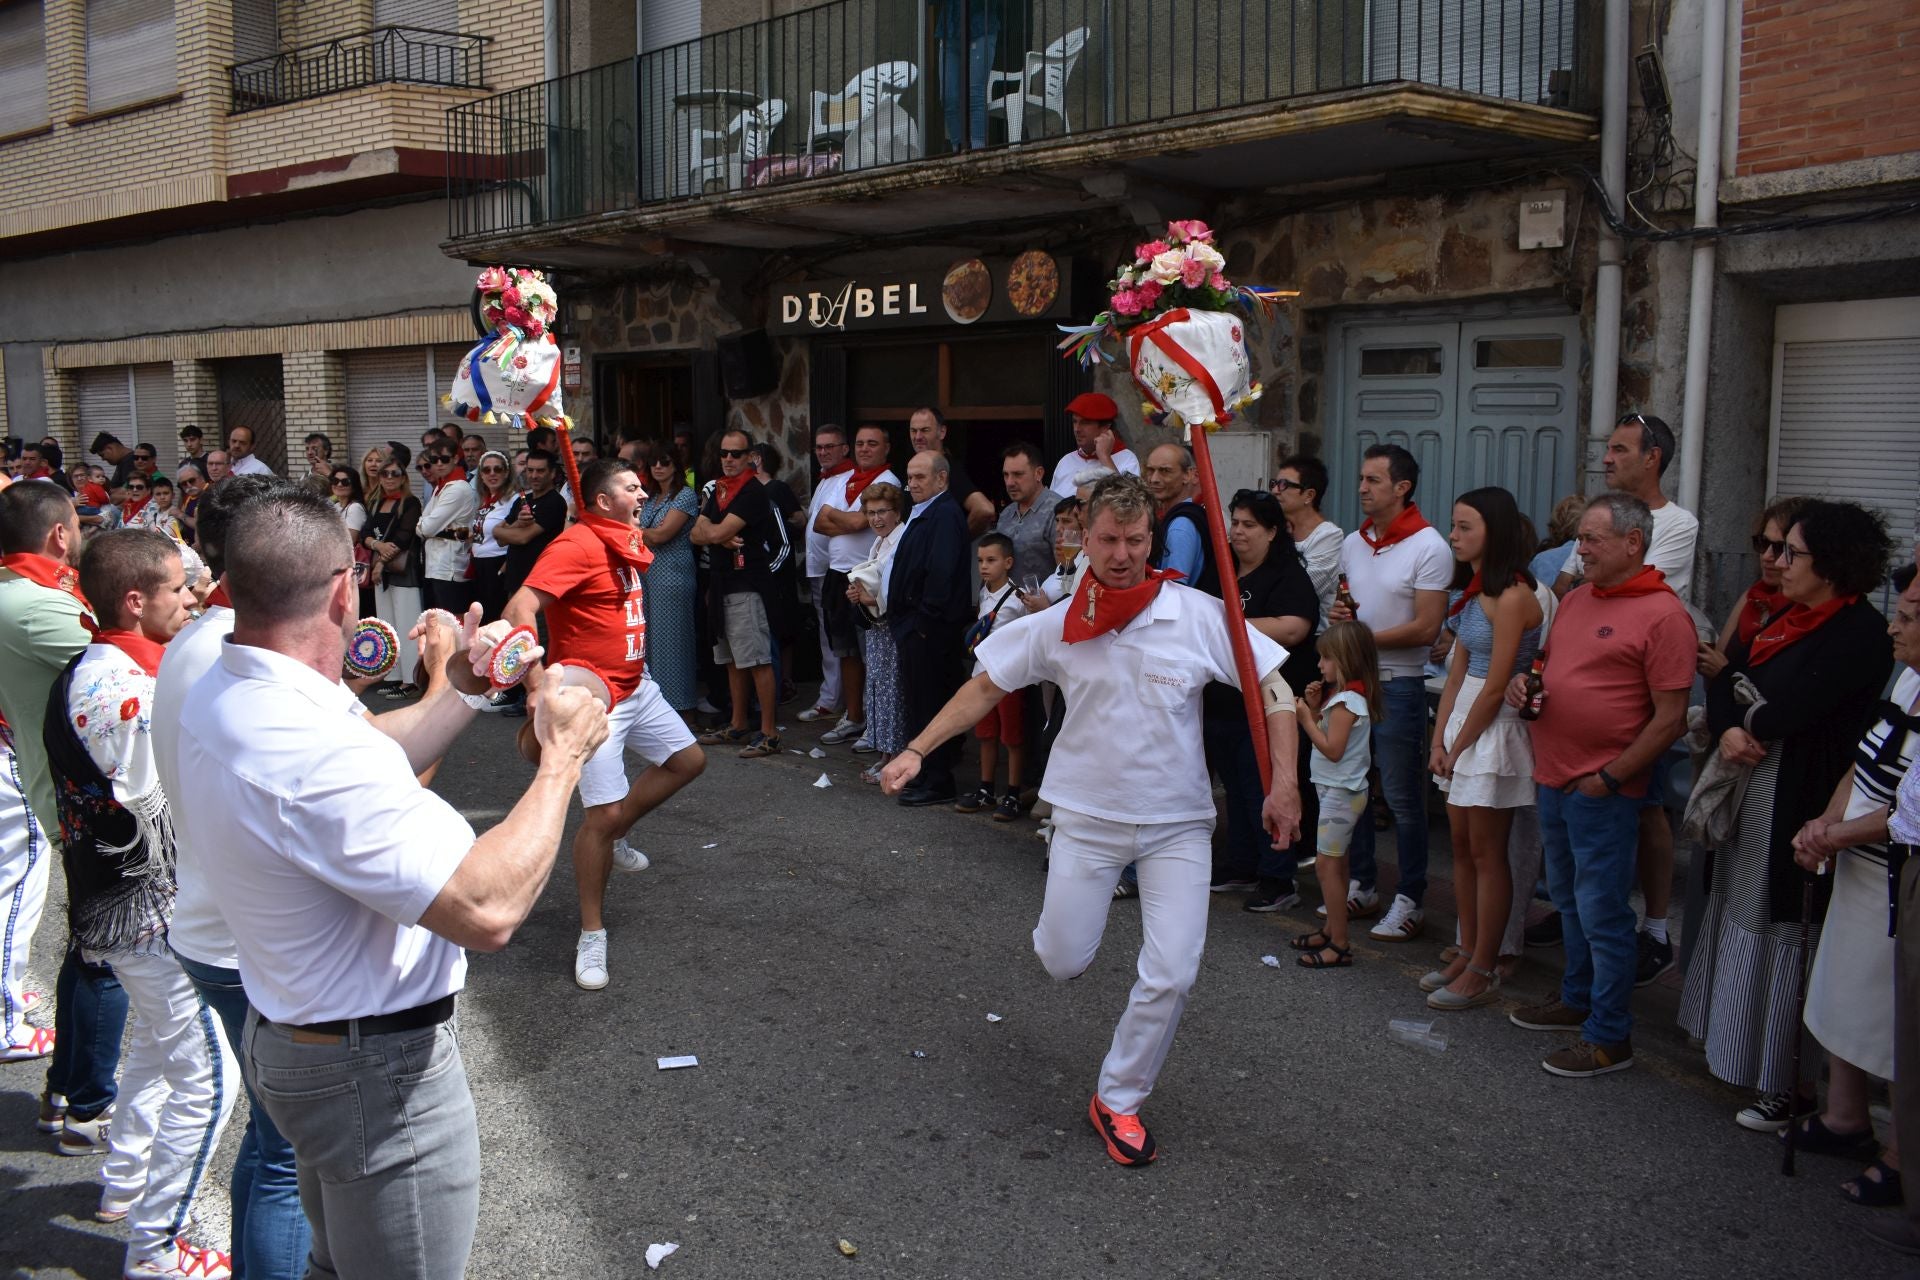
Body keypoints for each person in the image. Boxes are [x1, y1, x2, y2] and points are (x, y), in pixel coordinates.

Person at [176, 489, 608, 1279]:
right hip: (373, 1072)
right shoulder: (300, 742)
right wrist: (564, 758)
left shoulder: (239, 685)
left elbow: (374, 748)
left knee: (335, 1267)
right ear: (346, 590)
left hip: (311, 1040)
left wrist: (467, 690)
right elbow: (486, 906)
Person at [880, 472, 1302, 1166]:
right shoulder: (1058, 623)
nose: (1122, 554)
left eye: (1136, 540)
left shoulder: (1197, 615)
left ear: (1151, 540)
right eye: (1108, 538)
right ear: (1085, 535)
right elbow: (986, 684)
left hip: (1178, 825)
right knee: (1062, 958)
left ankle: (1120, 1098)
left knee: (1173, 971)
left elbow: (1274, 690)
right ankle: (1068, 944)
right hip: (1085, 819)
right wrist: (917, 750)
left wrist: (1284, 785)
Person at [47, 528, 235, 1278]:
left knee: (158, 1055)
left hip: (124, 904)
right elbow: (173, 799)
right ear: (135, 599)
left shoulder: (99, 669)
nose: (191, 597)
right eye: (178, 587)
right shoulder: (123, 693)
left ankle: (124, 1185)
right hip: (146, 910)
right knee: (209, 1079)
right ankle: (160, 1245)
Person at [1681, 500, 1894, 1125]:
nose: (1777, 562)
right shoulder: (1784, 618)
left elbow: (1777, 713)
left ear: (1829, 565)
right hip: (1755, 788)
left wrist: (1735, 702)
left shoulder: (1857, 636)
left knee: (1782, 932)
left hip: (1797, 798)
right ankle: (1738, 1057)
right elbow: (1728, 687)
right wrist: (1729, 722)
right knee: (1739, 915)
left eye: (1791, 552)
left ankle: (1786, 1083)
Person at [153, 473, 314, 1280]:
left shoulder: (197, 637)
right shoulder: (236, 652)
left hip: (211, 923)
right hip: (243, 939)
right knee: (288, 1156)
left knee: (268, 1136)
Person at [1506, 492, 1695, 1078]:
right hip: (1555, 776)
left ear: (1633, 543)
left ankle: (1610, 1037)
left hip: (1603, 789)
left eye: (1591, 540)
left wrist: (1610, 777)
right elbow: (1546, 670)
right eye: (1580, 538)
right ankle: (1577, 998)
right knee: (1567, 902)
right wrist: (1524, 690)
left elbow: (1670, 718)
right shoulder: (1581, 598)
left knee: (1603, 912)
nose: (1578, 550)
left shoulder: (1665, 616)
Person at [505, 459, 706, 991]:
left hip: (637, 685)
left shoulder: (619, 536)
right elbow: (521, 605)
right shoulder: (578, 544)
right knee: (602, 815)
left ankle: (617, 835)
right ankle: (591, 932)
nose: (644, 494)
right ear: (601, 501)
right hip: (594, 697)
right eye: (632, 487)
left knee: (688, 761)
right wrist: (535, 686)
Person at [1549, 414, 1701, 981]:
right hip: (1578, 736)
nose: (1606, 458)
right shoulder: (1601, 521)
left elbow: (1636, 585)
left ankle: (1653, 930)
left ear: (1652, 457)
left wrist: (1607, 776)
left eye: (1619, 449)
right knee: (1580, 875)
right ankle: (1579, 961)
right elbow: (1571, 587)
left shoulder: (1677, 523)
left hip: (1639, 697)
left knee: (1646, 809)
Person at [1789, 562, 1920, 1208]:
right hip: (1856, 858)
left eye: (1907, 618)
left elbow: (1910, 809)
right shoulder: (1906, 680)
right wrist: (1827, 820)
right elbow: (1863, 762)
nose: (1894, 625)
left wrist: (1835, 835)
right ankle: (1846, 1117)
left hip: (1894, 867)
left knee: (1892, 1012)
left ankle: (1903, 1154)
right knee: (1842, 985)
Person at [1424, 487, 1545, 1011]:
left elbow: (1497, 686)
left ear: (1492, 532)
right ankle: (1468, 948)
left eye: (1464, 526)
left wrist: (1461, 742)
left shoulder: (1517, 595)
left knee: (1488, 853)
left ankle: (1483, 966)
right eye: (1453, 525)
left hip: (1493, 728)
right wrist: (1439, 738)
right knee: (1462, 845)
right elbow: (1456, 674)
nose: (1453, 535)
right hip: (1462, 726)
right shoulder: (1474, 593)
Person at [1329, 443, 1451, 940]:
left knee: (1401, 798)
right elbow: (1345, 604)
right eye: (1361, 478)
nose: (1362, 488)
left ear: (1402, 488)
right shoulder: (1354, 543)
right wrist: (1342, 619)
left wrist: (1358, 638)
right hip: (1354, 683)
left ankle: (1411, 898)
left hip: (1398, 683)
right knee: (1351, 788)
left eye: (1374, 480)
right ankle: (1362, 885)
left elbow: (1427, 628)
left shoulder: (1430, 546)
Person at [1206, 488, 1318, 909]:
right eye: (1235, 522)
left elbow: (1293, 628)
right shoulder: (1222, 571)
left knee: (1265, 789)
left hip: (1270, 705)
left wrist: (1235, 625)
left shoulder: (1287, 576)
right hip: (1223, 701)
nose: (1238, 532)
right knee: (1235, 790)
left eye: (1249, 524)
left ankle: (1279, 876)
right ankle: (1242, 864)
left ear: (1273, 531)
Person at [886, 451, 975, 806]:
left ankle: (938, 779)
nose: (913, 484)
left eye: (921, 477)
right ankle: (924, 773)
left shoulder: (945, 513)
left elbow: (941, 573)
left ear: (941, 479)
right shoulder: (924, 511)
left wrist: (920, 625)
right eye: (910, 477)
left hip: (929, 630)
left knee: (931, 704)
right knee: (920, 703)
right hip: (916, 627)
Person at [1291, 621, 1381, 968]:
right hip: (1338, 790)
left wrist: (1305, 719)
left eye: (1326, 658)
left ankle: (1340, 943)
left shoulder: (1346, 701)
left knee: (1327, 866)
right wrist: (1315, 709)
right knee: (1338, 864)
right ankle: (1331, 929)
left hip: (1341, 793)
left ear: (1344, 660)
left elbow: (1332, 749)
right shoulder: (1346, 698)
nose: (1320, 665)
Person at [692, 431, 788, 757]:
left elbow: (713, 530)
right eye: (724, 453)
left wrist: (715, 535)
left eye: (736, 453)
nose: (729, 459)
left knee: (757, 659)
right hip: (722, 584)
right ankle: (738, 724)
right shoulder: (719, 488)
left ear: (751, 457)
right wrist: (718, 537)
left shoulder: (752, 492)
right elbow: (696, 533)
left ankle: (770, 733)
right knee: (732, 660)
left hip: (748, 584)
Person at [810, 424, 898, 748]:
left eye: (872, 443)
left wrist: (838, 518)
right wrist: (839, 519)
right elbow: (820, 522)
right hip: (837, 573)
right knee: (845, 650)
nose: (864, 449)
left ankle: (875, 725)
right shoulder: (847, 480)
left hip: (866, 574)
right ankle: (854, 716)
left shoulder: (887, 481)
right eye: (860, 443)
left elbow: (860, 522)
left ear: (886, 448)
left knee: (870, 652)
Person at [955, 532, 1030, 819]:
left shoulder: (1017, 597)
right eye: (980, 560)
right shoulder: (984, 591)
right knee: (986, 733)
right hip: (981, 674)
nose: (984, 566)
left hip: (1009, 677)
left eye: (991, 560)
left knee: (1012, 737)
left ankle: (1011, 793)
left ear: (1008, 562)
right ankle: (985, 788)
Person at [1699, 496, 1807, 683]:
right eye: (1762, 543)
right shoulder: (1754, 595)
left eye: (1781, 548)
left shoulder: (1806, 610)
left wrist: (1724, 674)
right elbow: (1719, 657)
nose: (1767, 556)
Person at [846, 482, 910, 784]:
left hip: (891, 627)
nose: (876, 518)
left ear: (896, 513)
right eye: (870, 513)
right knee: (878, 688)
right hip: (877, 627)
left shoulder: (902, 539)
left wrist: (870, 599)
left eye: (882, 511)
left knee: (892, 691)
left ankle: (895, 756)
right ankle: (885, 754)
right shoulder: (880, 541)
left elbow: (899, 586)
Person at [636, 441, 700, 714]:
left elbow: (663, 535)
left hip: (673, 573)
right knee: (649, 641)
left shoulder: (684, 496)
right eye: (654, 463)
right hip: (648, 574)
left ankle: (679, 704)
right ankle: (654, 704)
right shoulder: (650, 496)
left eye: (665, 462)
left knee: (673, 642)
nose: (659, 467)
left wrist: (631, 531)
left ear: (676, 466)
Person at [800, 425, 854, 724]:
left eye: (829, 446)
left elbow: (841, 522)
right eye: (819, 447)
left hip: (840, 571)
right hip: (820, 569)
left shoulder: (849, 479)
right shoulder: (825, 480)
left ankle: (840, 700)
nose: (823, 452)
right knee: (828, 638)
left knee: (841, 640)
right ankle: (831, 697)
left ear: (844, 448)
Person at [363, 454, 425, 697]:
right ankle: (395, 674)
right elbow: (367, 532)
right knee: (388, 625)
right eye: (384, 474)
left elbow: (403, 537)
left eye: (394, 474)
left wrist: (379, 563)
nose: (389, 478)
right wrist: (377, 548)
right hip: (382, 569)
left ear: (403, 478)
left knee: (407, 624)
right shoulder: (376, 502)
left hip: (402, 570)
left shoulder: (410, 503)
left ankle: (411, 679)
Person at [1274, 454, 1341, 632]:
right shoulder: (1275, 529)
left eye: (1284, 485)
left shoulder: (1329, 536)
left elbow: (1304, 591)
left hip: (1314, 642)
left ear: (1309, 495)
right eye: (1274, 483)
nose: (1275, 490)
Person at [1143, 443, 1219, 597]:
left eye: (1165, 471)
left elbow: (1174, 590)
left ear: (1188, 475)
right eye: (1150, 470)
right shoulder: (1177, 518)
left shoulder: (1180, 527)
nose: (1154, 479)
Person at [909, 407, 995, 535]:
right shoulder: (911, 465)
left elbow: (984, 509)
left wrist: (957, 541)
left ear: (942, 432)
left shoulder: (948, 469)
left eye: (925, 430)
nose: (918, 437)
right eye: (913, 431)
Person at [417, 443, 479, 618]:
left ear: (455, 459)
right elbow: (421, 525)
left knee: (454, 624)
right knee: (439, 623)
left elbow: (426, 528)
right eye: (433, 460)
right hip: (436, 565)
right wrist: (432, 528)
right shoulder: (441, 486)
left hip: (450, 567)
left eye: (444, 459)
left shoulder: (457, 488)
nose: (438, 464)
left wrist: (428, 527)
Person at [1049, 392, 1139, 498]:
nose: (1077, 429)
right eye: (1074, 421)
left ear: (1106, 427)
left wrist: (1105, 457)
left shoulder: (1126, 459)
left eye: (1085, 422)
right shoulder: (1065, 461)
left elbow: (1130, 505)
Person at [996, 442, 1059, 590]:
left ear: (1038, 473)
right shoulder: (1006, 514)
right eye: (1006, 475)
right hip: (1004, 608)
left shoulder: (1058, 512)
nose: (1010, 482)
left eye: (1018, 474)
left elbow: (1067, 572)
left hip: (1043, 608)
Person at [469, 450, 515, 623]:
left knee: (496, 618)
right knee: (483, 618)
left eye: (498, 469)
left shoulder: (514, 499)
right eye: (487, 470)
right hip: (479, 564)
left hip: (498, 564)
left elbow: (516, 535)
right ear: (480, 475)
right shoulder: (484, 500)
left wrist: (508, 563)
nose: (492, 474)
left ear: (506, 472)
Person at [300, 432, 333, 497]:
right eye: (307, 449)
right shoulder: (304, 477)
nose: (309, 452)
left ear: (326, 451)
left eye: (314, 448)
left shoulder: (338, 472)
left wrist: (330, 474)